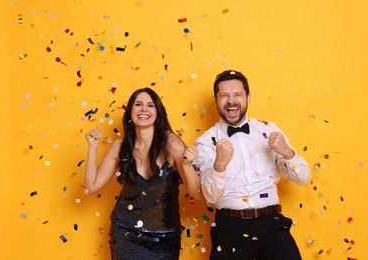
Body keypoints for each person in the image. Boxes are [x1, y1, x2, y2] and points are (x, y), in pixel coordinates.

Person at [194, 70, 310, 260]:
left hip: (271, 224)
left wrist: (287, 152)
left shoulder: (268, 130)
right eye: (224, 95)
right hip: (228, 226)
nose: (231, 101)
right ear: (216, 100)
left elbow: (303, 178)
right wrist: (219, 166)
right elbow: (211, 197)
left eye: (237, 94)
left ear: (248, 97)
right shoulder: (206, 142)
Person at [84, 87, 200, 260]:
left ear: (157, 112)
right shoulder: (120, 147)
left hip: (164, 236)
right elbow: (92, 186)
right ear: (131, 111)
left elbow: (195, 193)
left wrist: (187, 164)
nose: (144, 109)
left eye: (150, 105)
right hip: (125, 232)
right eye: (138, 104)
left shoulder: (172, 144)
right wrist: (93, 148)